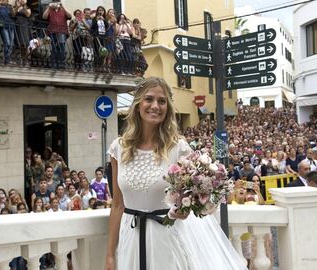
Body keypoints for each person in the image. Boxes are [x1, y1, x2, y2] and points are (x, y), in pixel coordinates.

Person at [105, 77, 246, 270]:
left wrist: (185, 210)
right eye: (149, 99)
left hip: (167, 238)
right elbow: (117, 206)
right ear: (138, 104)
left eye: (162, 101)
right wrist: (110, 255)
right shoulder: (118, 148)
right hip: (130, 238)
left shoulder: (179, 149)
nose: (155, 106)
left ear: (168, 108)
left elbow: (194, 199)